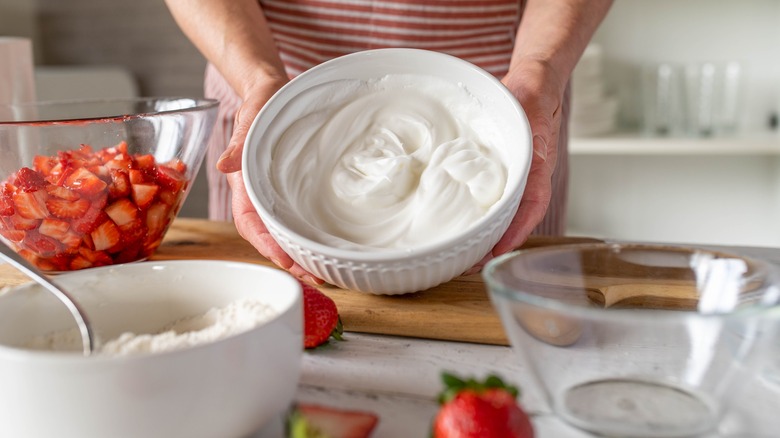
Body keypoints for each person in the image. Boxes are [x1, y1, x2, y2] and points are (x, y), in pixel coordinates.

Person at [165, 0, 614, 285]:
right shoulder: (263, 90)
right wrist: (256, 79)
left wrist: (540, 67)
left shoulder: (509, 109)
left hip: (506, 91)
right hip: (266, 84)